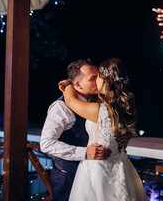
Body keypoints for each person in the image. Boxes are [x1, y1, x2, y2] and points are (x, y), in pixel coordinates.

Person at [59, 58, 148, 201]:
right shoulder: (125, 107)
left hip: (98, 169)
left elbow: (69, 101)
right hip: (121, 166)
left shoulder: (101, 110)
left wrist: (69, 84)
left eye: (98, 78)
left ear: (106, 81)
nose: (95, 82)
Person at [40, 59, 111, 201]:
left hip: (95, 175)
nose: (98, 81)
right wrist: (84, 153)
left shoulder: (97, 100)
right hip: (68, 177)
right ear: (77, 84)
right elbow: (46, 143)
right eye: (93, 78)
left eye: (98, 76)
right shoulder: (61, 108)